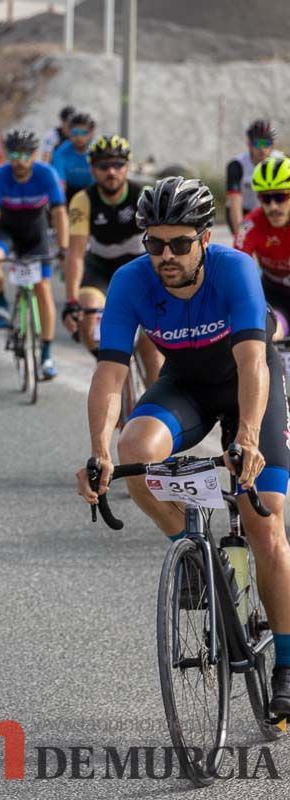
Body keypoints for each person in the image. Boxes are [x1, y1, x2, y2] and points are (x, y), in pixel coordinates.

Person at [76, 176, 290, 716]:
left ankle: (288, 663)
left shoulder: (235, 267)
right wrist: (99, 451)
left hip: (248, 387)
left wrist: (246, 437)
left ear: (204, 238)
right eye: (153, 243)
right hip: (188, 386)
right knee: (134, 450)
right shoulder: (130, 281)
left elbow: (252, 362)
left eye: (178, 244)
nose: (164, 256)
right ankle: (191, 555)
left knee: (265, 526)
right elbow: (108, 374)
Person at [62, 135, 160, 382]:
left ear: (127, 166)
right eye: (103, 166)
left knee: (152, 346)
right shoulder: (83, 200)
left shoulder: (143, 195)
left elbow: (162, 242)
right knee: (88, 319)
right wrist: (72, 300)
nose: (111, 171)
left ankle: (156, 406)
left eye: (117, 165)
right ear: (92, 169)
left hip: (139, 267)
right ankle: (110, 363)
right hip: (101, 268)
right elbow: (75, 253)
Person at [0, 128, 69, 380]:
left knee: (43, 290)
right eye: (14, 154)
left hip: (35, 234)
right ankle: (1, 304)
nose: (20, 160)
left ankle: (46, 355)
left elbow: (59, 212)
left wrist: (63, 248)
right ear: (7, 154)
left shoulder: (46, 174)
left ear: (34, 155)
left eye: (26, 154)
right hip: (6, 232)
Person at [236, 155, 290, 338]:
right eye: (266, 199)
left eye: (280, 197)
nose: (273, 206)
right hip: (273, 294)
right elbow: (236, 268)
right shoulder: (251, 224)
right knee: (270, 331)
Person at [227, 120, 284, 234]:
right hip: (245, 211)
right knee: (246, 242)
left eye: (266, 143)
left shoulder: (283, 161)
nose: (262, 149)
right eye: (258, 143)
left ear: (272, 145)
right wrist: (239, 232)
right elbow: (235, 201)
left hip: (269, 208)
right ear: (249, 145)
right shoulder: (237, 165)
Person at [49, 110, 96, 197]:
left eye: (84, 132)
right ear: (69, 132)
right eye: (75, 132)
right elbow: (60, 184)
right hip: (69, 191)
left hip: (92, 191)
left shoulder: (97, 152)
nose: (79, 137)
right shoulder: (61, 152)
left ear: (92, 133)